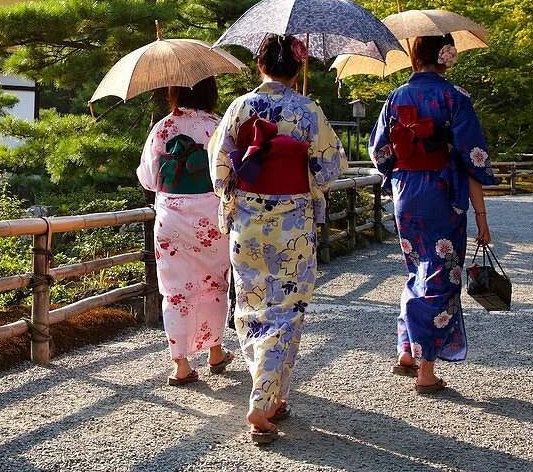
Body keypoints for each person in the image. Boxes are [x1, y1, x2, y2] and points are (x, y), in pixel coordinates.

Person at [207, 34, 346, 444]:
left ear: (259, 65)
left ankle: (272, 396)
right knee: (286, 308)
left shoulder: (240, 107)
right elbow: (329, 167)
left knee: (250, 306)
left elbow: (219, 170)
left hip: (248, 223)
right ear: (297, 68)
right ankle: (263, 398)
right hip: (293, 227)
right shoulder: (308, 109)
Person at [368, 34, 497, 394]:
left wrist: (402, 167)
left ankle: (407, 351)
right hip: (442, 192)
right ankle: (426, 370)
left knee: (418, 267)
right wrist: (482, 218)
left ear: (415, 58)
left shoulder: (395, 97)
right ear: (446, 57)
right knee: (441, 275)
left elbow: (380, 152)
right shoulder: (455, 97)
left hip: (405, 191)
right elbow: (473, 158)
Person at [136, 76, 233, 387]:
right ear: (211, 93)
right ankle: (215, 352)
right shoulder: (218, 125)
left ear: (173, 92)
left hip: (171, 217)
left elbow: (149, 178)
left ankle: (181, 364)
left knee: (175, 289)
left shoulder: (162, 127)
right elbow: (230, 174)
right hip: (209, 214)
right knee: (215, 283)